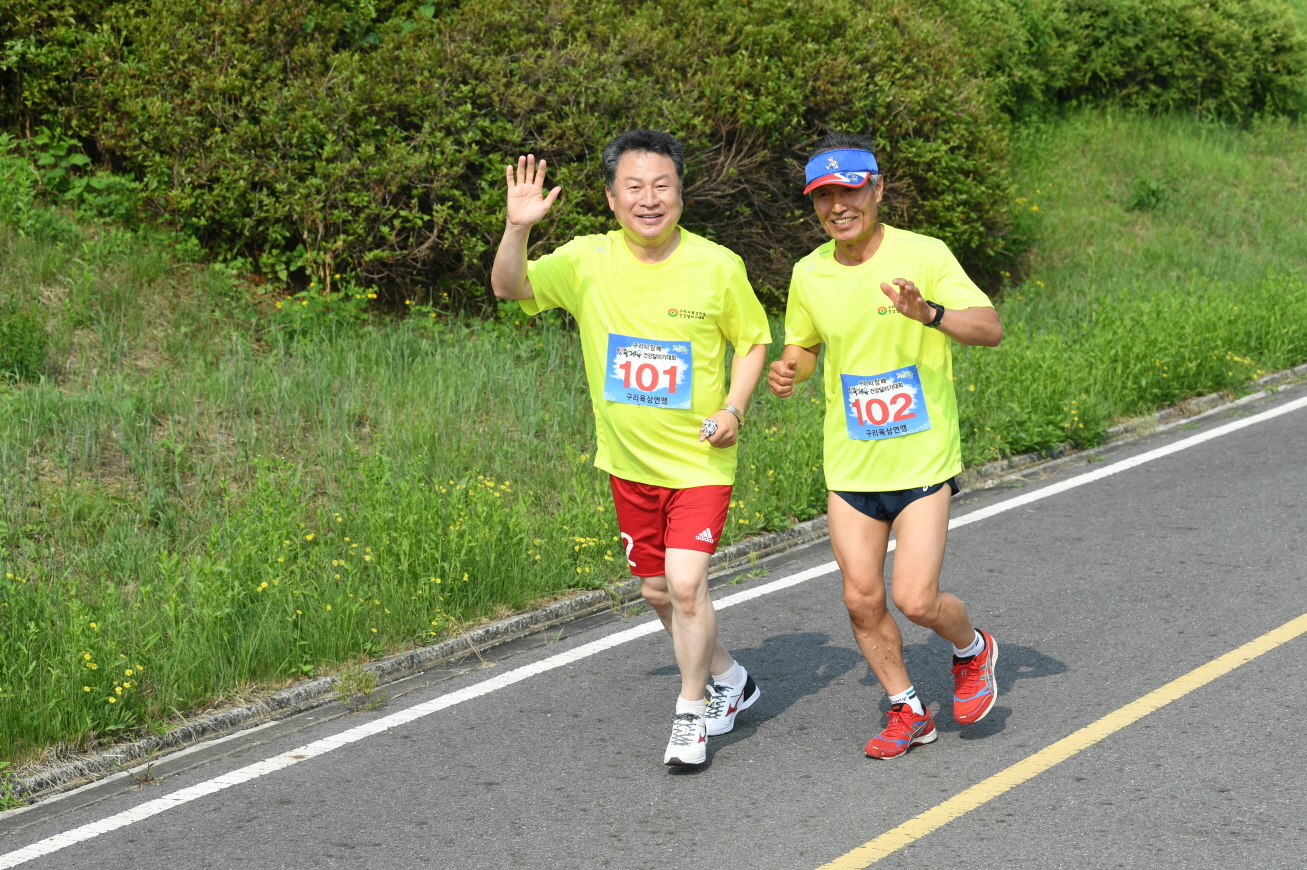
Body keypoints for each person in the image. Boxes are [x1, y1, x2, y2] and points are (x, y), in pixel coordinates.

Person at [490, 130, 771, 766]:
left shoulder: (717, 265)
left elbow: (753, 340)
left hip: (699, 460)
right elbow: (510, 287)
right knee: (657, 592)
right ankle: (732, 680)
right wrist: (517, 228)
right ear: (612, 198)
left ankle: (691, 715)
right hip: (628, 465)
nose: (650, 199)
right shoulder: (586, 259)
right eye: (635, 187)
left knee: (686, 586)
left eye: (662, 186)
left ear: (681, 195)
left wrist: (733, 408)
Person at [767, 133, 1003, 759]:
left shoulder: (923, 254)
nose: (838, 207)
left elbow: (989, 328)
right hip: (851, 463)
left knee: (915, 598)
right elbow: (804, 345)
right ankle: (908, 710)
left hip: (921, 457)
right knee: (860, 598)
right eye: (824, 197)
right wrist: (790, 369)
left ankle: (972, 649)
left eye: (849, 192)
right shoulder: (809, 272)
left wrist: (930, 315)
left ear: (876, 190)